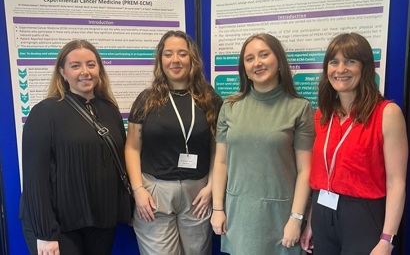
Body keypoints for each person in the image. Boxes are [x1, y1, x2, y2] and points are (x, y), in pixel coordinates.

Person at [20, 40, 131, 255]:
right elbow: (35, 178)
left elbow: (120, 163)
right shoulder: (44, 113)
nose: (85, 72)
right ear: (62, 71)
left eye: (91, 64)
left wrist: (128, 209)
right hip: (59, 227)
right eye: (75, 66)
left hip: (101, 222)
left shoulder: (109, 110)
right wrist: (45, 233)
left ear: (99, 68)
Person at [300, 33, 408, 255]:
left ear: (365, 67)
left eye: (350, 61)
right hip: (322, 214)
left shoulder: (387, 113)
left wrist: (387, 240)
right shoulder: (322, 116)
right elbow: (320, 176)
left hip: (362, 218)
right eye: (334, 62)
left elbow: (396, 182)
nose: (341, 69)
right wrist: (311, 222)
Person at [211, 33, 314, 255]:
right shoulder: (229, 106)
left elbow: (306, 170)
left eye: (264, 55)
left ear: (278, 61)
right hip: (239, 215)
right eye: (249, 58)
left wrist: (296, 219)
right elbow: (220, 162)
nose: (257, 63)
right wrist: (218, 208)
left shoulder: (299, 108)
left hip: (281, 217)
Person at [125, 30, 222, 255]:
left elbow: (219, 148)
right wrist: (138, 189)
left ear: (192, 59)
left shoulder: (210, 99)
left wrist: (211, 188)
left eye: (182, 53)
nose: (175, 60)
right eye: (168, 54)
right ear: (160, 60)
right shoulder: (145, 100)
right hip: (154, 193)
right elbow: (132, 147)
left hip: (198, 193)